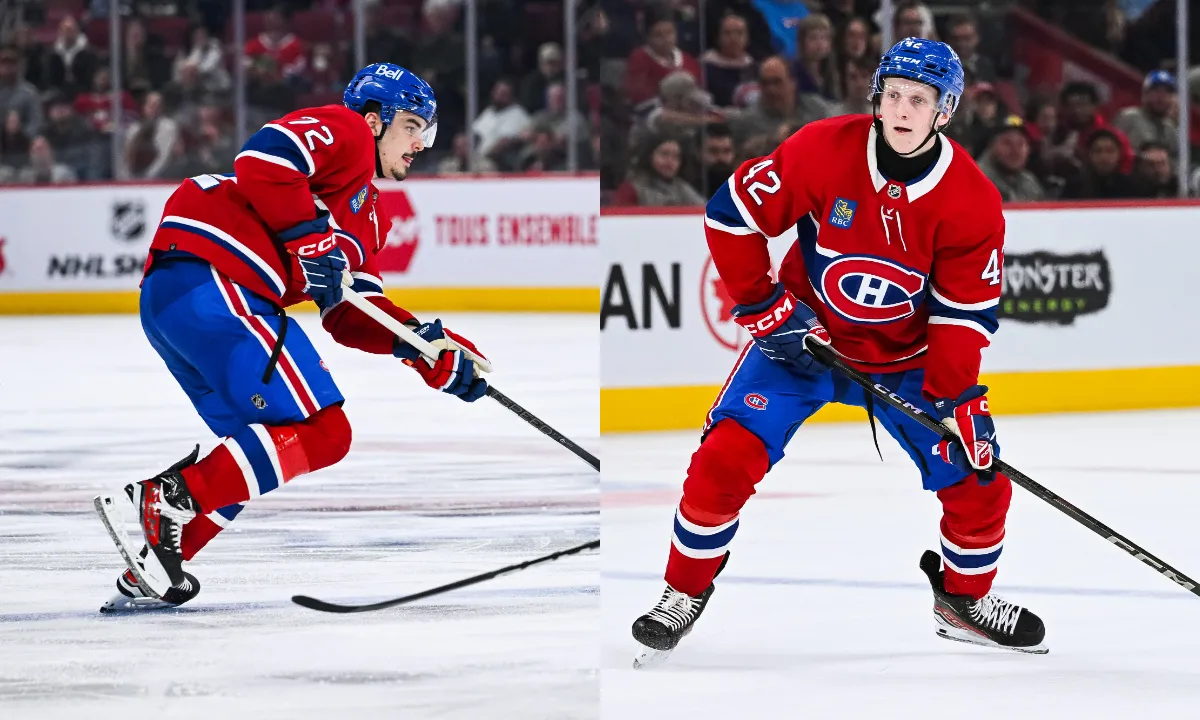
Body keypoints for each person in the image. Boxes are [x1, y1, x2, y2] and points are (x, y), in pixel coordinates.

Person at [630, 38, 1047, 667]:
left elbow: (963, 315)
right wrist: (762, 305)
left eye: (921, 100)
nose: (903, 110)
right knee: (722, 461)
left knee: (981, 484)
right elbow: (731, 214)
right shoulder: (823, 148)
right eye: (895, 95)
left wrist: (959, 397)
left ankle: (962, 601)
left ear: (946, 111)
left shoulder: (971, 199)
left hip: (908, 361)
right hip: (804, 343)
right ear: (878, 96)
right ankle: (681, 592)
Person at [94, 64, 489, 611]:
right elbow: (264, 159)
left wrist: (423, 347)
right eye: (413, 125)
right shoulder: (349, 132)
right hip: (219, 280)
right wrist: (309, 241)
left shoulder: (370, 219)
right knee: (326, 432)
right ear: (376, 121)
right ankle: (163, 500)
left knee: (265, 449)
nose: (421, 143)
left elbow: (352, 312)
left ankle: (156, 562)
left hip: (178, 304)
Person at [1112, 71, 1179, 166]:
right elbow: (1112, 151)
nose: (1161, 96)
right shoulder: (1128, 117)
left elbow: (1176, 162)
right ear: (1145, 94)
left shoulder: (1170, 127)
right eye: (1155, 91)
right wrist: (1144, 157)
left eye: (1166, 92)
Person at [978, 115, 1045, 202]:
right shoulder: (975, 179)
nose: (1015, 150)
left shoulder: (1030, 184)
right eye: (1007, 143)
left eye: (1020, 143)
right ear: (992, 146)